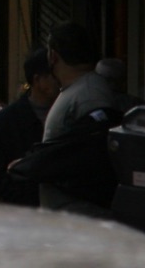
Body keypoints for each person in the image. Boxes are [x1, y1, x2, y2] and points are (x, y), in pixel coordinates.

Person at [36, 21, 118, 214]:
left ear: (53, 56)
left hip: (81, 216)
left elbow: (92, 156)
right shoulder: (77, 91)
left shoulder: (90, 94)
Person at [0, 49, 58, 205]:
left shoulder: (66, 114)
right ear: (38, 80)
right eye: (53, 75)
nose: (60, 80)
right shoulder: (5, 123)